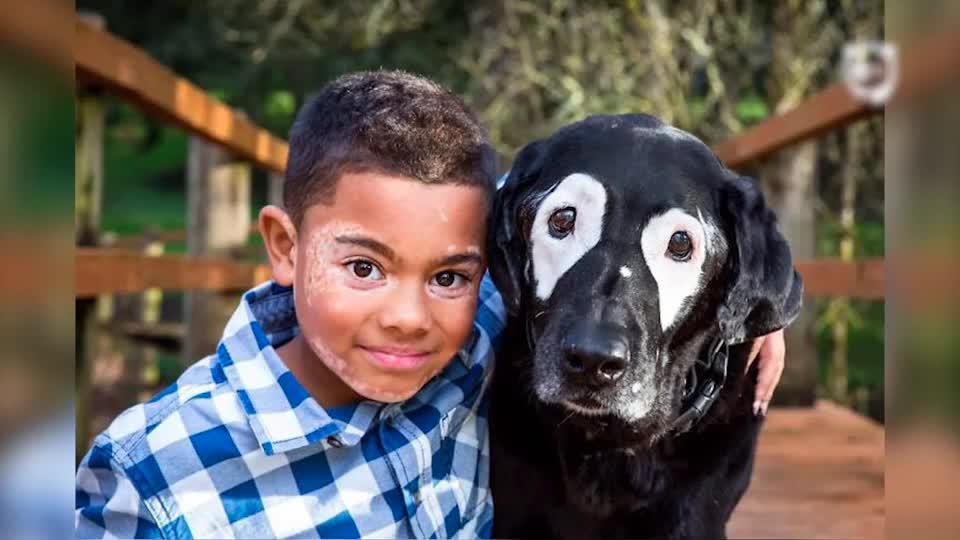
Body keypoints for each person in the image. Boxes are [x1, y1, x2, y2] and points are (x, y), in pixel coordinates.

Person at [76, 70, 787, 539]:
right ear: (285, 247)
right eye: (363, 267)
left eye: (449, 276)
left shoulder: (468, 337)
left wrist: (750, 308)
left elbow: (561, 209)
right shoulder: (153, 472)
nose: (408, 317)